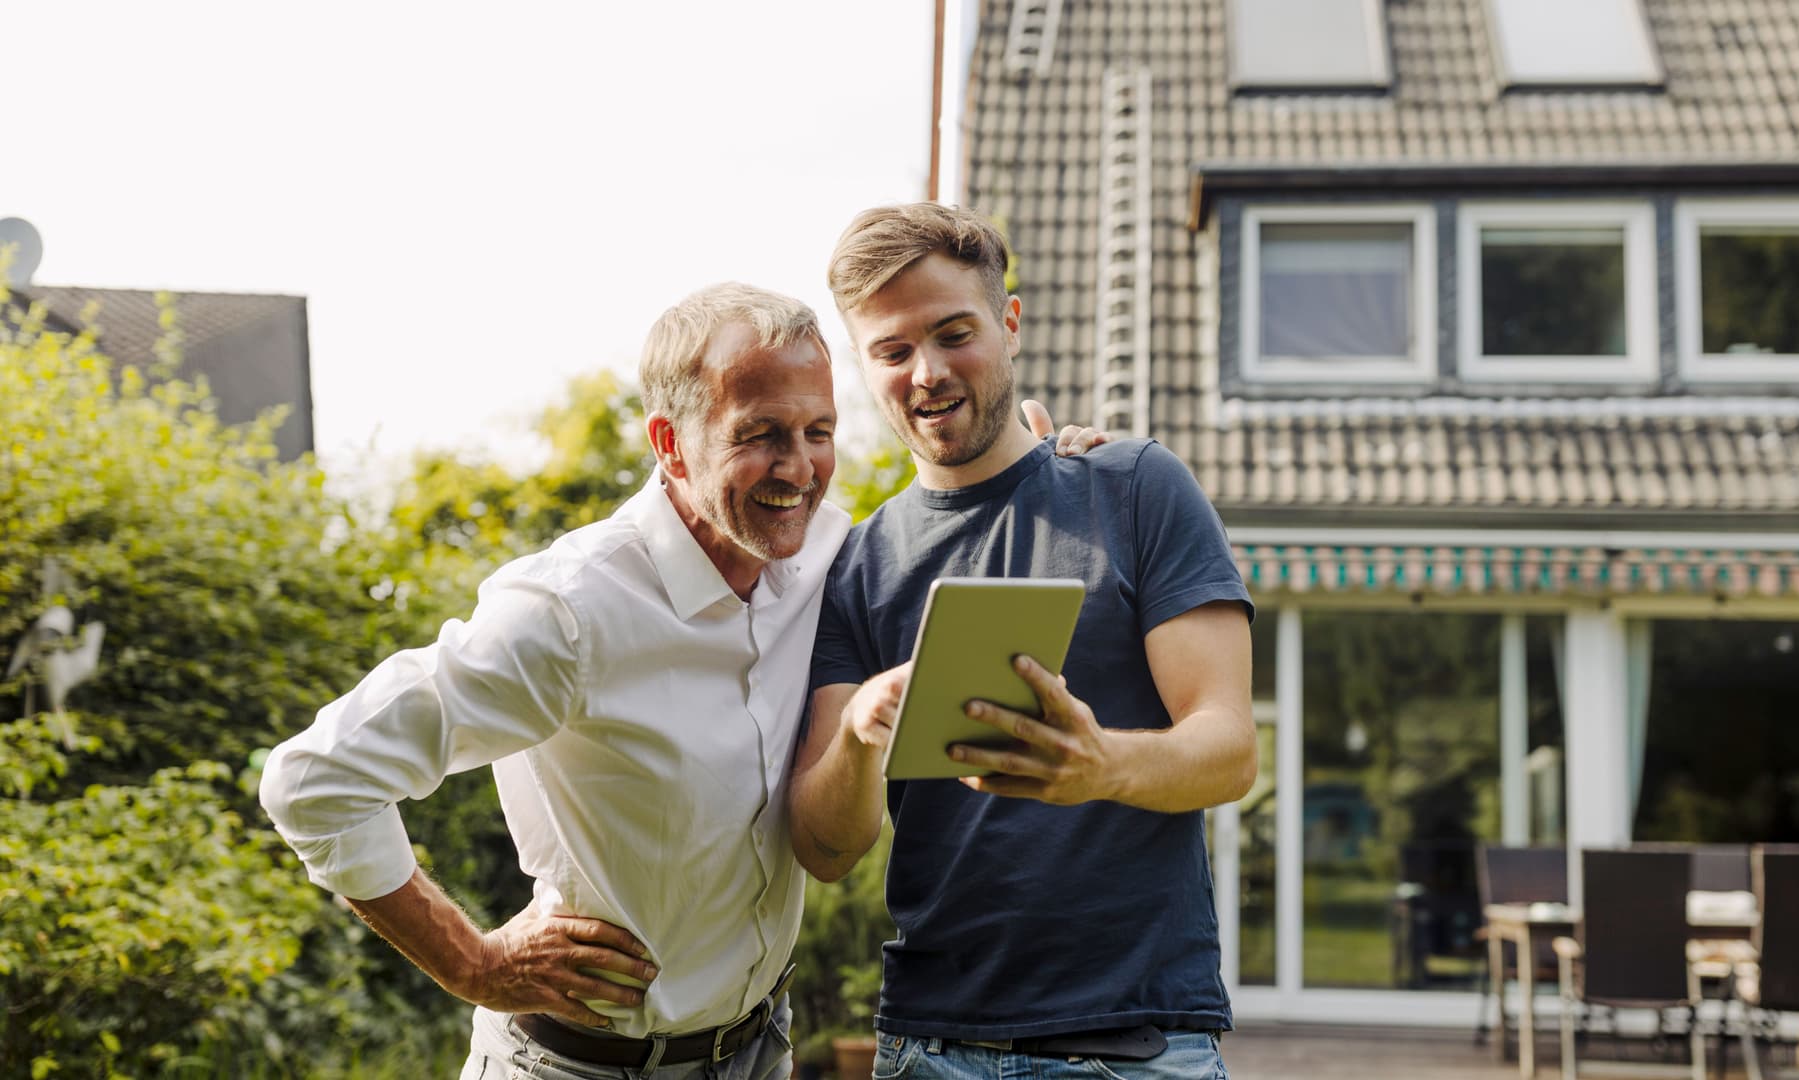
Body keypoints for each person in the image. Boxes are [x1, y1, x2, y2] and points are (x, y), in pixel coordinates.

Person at [260, 282, 1096, 1080]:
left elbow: (941, 534)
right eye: (761, 433)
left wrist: (1047, 467)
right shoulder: (565, 612)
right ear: (669, 442)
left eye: (819, 431)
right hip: (574, 1063)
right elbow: (315, 779)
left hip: (759, 1049)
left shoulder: (825, 560)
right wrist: (472, 962)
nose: (799, 468)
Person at [788, 202, 1258, 1080]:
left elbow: (1229, 749)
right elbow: (825, 849)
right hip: (929, 1048)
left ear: (1008, 324)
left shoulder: (1136, 489)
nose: (925, 372)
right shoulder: (855, 566)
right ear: (865, 367)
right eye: (891, 351)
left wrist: (1102, 765)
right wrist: (857, 738)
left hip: (1135, 1045)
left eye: (952, 333)